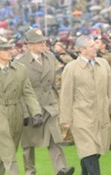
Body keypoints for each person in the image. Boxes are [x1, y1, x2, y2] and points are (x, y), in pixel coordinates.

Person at [0, 37, 43, 175]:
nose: (9, 51)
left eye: (9, 48)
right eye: (4, 49)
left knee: (7, 149)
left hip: (16, 111)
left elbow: (28, 93)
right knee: (7, 147)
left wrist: (36, 113)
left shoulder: (20, 70)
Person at [60, 35, 111, 175]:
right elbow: (66, 95)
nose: (96, 48)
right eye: (91, 46)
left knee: (95, 151)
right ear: (82, 50)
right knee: (89, 150)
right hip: (81, 116)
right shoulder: (71, 68)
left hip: (102, 115)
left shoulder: (103, 64)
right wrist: (65, 119)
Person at [18, 28, 74, 175]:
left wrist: (58, 102)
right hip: (30, 107)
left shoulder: (50, 57)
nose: (43, 44)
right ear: (29, 45)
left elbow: (52, 83)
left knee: (54, 137)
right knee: (28, 143)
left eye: (43, 41)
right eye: (39, 42)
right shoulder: (20, 62)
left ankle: (61, 169)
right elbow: (18, 90)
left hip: (49, 105)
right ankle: (30, 171)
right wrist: (24, 113)